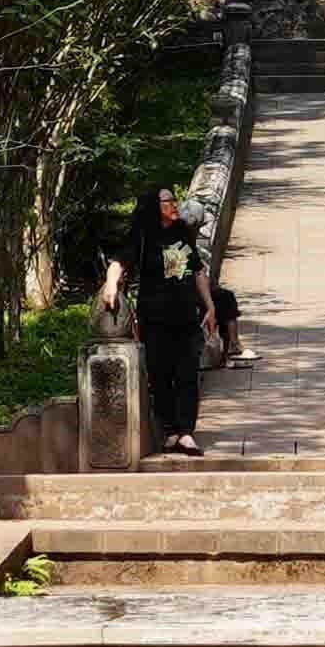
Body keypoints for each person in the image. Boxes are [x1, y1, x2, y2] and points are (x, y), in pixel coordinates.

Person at [101, 182, 211, 457]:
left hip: (186, 315)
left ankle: (186, 432)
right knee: (160, 375)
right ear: (154, 206)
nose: (175, 205)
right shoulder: (142, 236)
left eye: (175, 200)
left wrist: (210, 307)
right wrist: (111, 284)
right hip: (155, 317)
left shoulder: (182, 233)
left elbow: (197, 271)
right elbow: (119, 263)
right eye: (167, 201)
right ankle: (171, 431)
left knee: (187, 373)